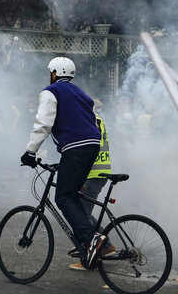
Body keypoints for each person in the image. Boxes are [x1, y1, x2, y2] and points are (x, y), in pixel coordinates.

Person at [20, 56, 106, 269]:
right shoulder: (82, 94)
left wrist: (30, 152)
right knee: (73, 195)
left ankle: (91, 238)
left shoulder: (51, 92)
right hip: (92, 144)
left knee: (63, 197)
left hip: (75, 147)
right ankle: (95, 244)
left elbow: (43, 123)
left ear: (54, 73)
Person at [68, 112, 116, 270]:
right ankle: (105, 245)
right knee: (85, 213)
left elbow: (89, 148)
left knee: (81, 215)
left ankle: (89, 258)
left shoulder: (87, 118)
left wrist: (79, 176)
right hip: (97, 172)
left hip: (93, 173)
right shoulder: (94, 117)